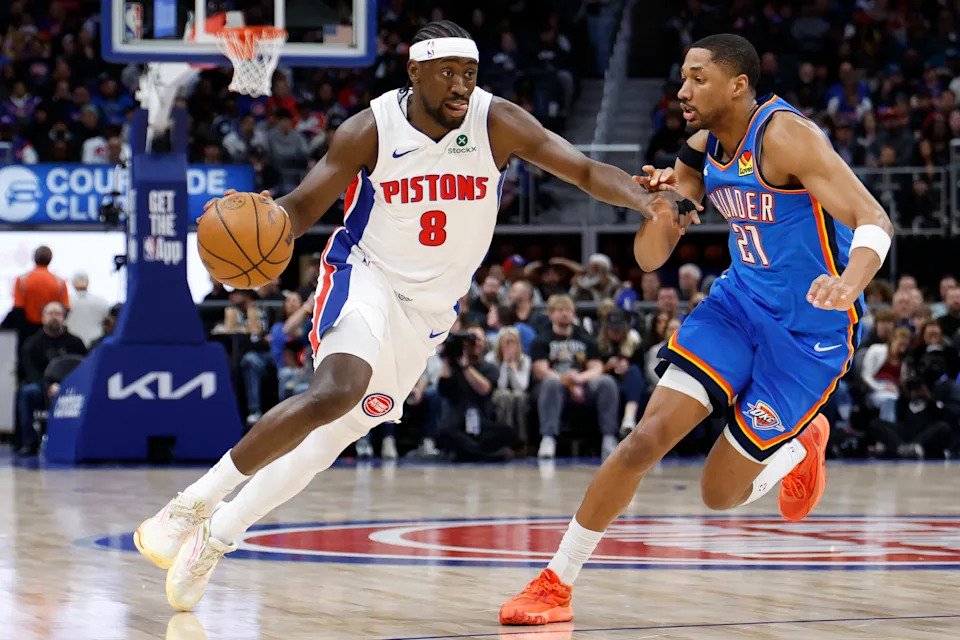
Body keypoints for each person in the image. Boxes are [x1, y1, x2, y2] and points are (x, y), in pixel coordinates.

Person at [133, 20, 691, 612]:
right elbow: (302, 206)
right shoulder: (369, 130)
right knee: (336, 391)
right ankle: (188, 506)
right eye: (447, 72)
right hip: (365, 274)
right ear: (414, 72)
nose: (460, 86)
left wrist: (645, 198)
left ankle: (216, 539)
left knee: (327, 444)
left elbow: (581, 169)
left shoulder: (495, 120)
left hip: (428, 313)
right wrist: (263, 230)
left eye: (470, 74)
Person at [500, 34, 893, 625]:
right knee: (643, 440)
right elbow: (651, 259)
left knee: (718, 493)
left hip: (811, 333)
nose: (683, 90)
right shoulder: (699, 151)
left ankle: (799, 448)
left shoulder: (787, 136)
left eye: (698, 78)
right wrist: (658, 208)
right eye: (682, 78)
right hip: (737, 307)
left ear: (738, 85)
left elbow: (872, 218)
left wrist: (852, 282)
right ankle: (556, 582)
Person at [530, 294, 620, 460]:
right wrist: (568, 382)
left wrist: (579, 379)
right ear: (550, 314)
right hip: (555, 386)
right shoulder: (541, 340)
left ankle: (609, 438)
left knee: (606, 382)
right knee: (550, 383)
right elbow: (540, 370)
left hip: (582, 384)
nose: (565, 314)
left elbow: (597, 367)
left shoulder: (585, 338)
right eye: (560, 310)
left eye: (569, 310)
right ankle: (548, 438)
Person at [16, 302, 87, 456]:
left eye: (58, 314)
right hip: (41, 388)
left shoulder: (76, 343)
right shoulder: (31, 344)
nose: (54, 317)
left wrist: (66, 386)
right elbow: (30, 372)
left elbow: (84, 369)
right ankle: (29, 443)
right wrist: (48, 386)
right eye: (50, 313)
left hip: (71, 389)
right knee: (27, 392)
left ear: (64, 318)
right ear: (42, 318)